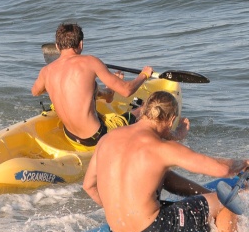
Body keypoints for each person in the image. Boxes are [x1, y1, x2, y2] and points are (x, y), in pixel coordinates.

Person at [82, 91, 249, 232]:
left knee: (166, 179)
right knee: (225, 202)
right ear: (171, 119)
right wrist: (242, 163)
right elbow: (223, 170)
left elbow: (89, 186)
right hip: (152, 230)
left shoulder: (107, 139)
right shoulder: (161, 148)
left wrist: (120, 214)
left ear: (143, 111)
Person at [32, 20, 156, 148]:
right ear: (81, 44)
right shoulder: (90, 61)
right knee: (141, 110)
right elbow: (126, 90)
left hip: (70, 136)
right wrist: (144, 74)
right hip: (95, 137)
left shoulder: (46, 71)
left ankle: (109, 92)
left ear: (57, 47)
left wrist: (54, 84)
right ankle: (121, 99)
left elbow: (35, 91)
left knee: (92, 89)